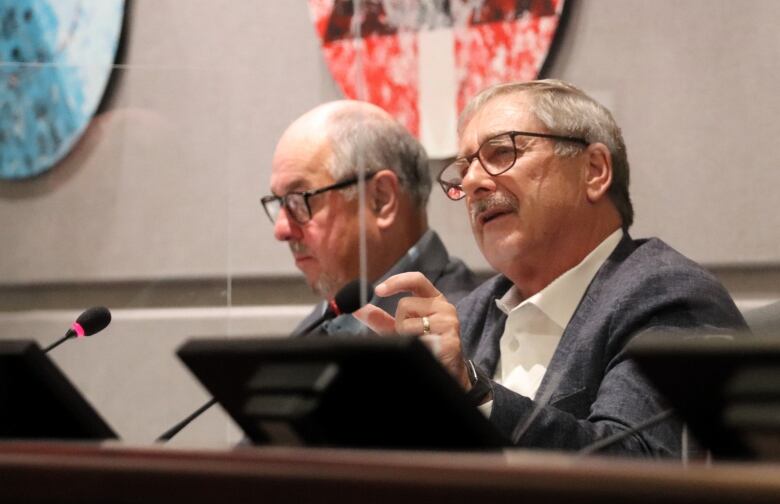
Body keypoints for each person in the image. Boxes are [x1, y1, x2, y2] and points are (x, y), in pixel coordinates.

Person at [356, 79, 748, 456]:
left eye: (502, 152)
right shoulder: (470, 314)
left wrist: (474, 392)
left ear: (594, 170)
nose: (473, 181)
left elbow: (641, 471)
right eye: (464, 169)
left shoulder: (669, 298)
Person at [263, 100, 478, 337]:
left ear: (381, 199)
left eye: (299, 199)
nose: (281, 230)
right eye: (279, 202)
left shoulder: (467, 330)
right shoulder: (317, 326)